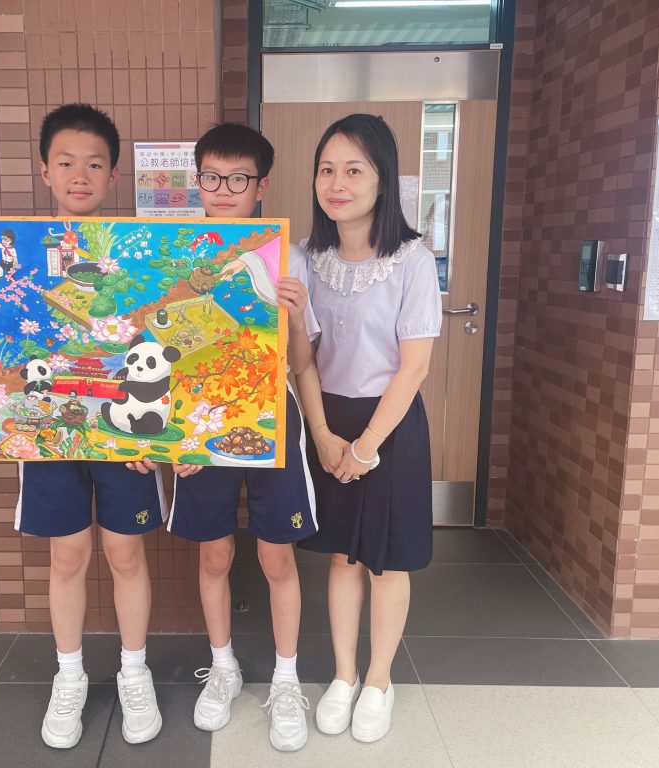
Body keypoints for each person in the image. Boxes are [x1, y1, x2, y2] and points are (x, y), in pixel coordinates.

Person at [0, 104, 166, 750]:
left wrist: (161, 434)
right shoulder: (15, 256)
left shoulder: (137, 257)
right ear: (45, 171)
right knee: (67, 556)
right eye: (66, 162)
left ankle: (134, 672)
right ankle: (70, 675)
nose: (80, 175)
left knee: (126, 553)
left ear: (113, 175)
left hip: (119, 427)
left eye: (94, 164)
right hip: (46, 429)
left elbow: (161, 343)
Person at [130, 123, 319, 752]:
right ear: (198, 181)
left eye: (239, 178)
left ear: (261, 185)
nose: (225, 188)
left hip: (271, 418)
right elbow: (155, 349)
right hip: (199, 423)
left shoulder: (287, 257)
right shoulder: (174, 253)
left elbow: (301, 362)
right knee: (213, 553)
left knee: (276, 556)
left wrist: (295, 317)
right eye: (212, 176)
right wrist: (171, 439)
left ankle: (286, 680)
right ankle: (224, 666)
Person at [290, 114, 442, 743]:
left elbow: (415, 366)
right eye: (327, 169)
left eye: (354, 170)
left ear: (383, 180)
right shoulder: (305, 257)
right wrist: (324, 436)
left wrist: (367, 447)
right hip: (327, 418)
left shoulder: (412, 259)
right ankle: (344, 675)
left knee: (386, 561)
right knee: (342, 556)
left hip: (390, 427)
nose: (337, 183)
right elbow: (302, 359)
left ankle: (378, 680)